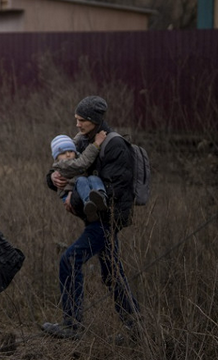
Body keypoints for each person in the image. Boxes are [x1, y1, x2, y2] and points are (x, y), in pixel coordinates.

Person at [42, 95, 140, 341]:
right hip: (95, 219)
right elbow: (66, 164)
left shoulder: (114, 145)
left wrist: (73, 201)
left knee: (69, 260)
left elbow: (115, 190)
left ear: (94, 121)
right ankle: (136, 329)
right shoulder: (85, 141)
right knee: (112, 273)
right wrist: (52, 179)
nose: (76, 124)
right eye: (76, 119)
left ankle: (72, 325)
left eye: (81, 120)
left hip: (107, 220)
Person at [50, 132, 108, 222]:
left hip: (80, 188)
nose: (68, 155)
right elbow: (83, 162)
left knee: (93, 178)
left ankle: (101, 197)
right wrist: (96, 144)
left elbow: (74, 142)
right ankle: (88, 204)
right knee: (81, 179)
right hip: (68, 194)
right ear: (56, 157)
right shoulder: (64, 164)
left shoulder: (73, 156)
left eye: (70, 151)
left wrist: (82, 132)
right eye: (63, 153)